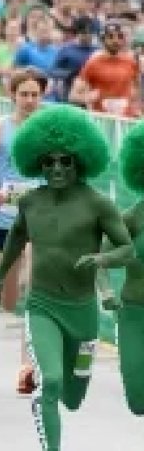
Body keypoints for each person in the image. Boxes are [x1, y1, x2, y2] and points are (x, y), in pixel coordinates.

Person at [0, 104, 136, 451]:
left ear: (79, 161)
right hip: (42, 306)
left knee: (74, 396)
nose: (56, 168)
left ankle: (67, 390)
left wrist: (102, 258)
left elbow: (127, 249)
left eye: (64, 161)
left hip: (83, 313)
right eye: (48, 161)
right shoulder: (30, 202)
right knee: (50, 382)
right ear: (37, 162)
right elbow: (16, 239)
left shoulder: (98, 204)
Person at [0, 67, 47, 393]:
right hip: (5, 220)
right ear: (13, 96)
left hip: (41, 218)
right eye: (24, 94)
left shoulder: (49, 128)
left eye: (35, 94)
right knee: (9, 298)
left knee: (34, 285)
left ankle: (27, 366)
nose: (29, 100)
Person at [112, 122, 144, 416]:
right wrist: (104, 290)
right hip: (134, 311)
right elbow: (99, 256)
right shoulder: (133, 216)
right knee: (137, 399)